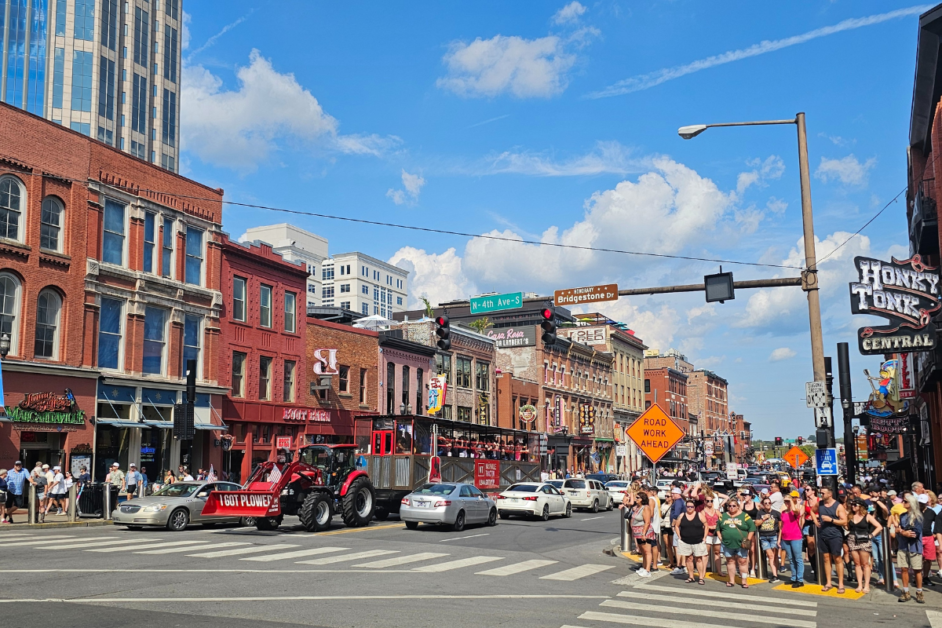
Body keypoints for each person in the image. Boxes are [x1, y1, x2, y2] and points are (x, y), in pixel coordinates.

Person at [890, 493, 926, 603]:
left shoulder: (918, 517)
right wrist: (902, 531)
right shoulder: (902, 516)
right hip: (903, 546)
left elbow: (914, 533)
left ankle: (919, 592)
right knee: (904, 569)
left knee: (917, 570)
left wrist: (901, 531)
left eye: (905, 502)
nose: (903, 503)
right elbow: (900, 530)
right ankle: (905, 592)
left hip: (915, 547)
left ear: (911, 504)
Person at [846, 497, 882, 594]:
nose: (853, 506)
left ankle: (866, 585)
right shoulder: (850, 516)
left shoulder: (867, 516)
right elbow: (847, 526)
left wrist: (871, 535)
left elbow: (879, 526)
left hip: (864, 539)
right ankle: (859, 585)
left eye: (855, 505)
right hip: (852, 539)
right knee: (857, 563)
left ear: (860, 506)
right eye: (852, 505)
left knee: (865, 564)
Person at [816, 486, 848, 594]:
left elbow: (844, 521)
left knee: (837, 558)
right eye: (820, 493)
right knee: (826, 558)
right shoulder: (820, 504)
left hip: (835, 535)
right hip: (822, 534)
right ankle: (828, 582)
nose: (821, 495)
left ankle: (840, 584)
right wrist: (816, 522)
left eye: (823, 493)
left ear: (830, 494)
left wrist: (831, 520)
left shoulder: (838, 506)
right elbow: (811, 510)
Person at [718, 498, 755, 588]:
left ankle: (744, 581)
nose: (731, 508)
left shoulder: (744, 515)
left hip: (741, 543)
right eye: (729, 506)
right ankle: (731, 581)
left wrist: (748, 540)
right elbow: (718, 528)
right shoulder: (723, 516)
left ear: (738, 507)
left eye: (734, 506)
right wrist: (720, 537)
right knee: (730, 561)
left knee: (742, 561)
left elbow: (752, 528)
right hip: (727, 543)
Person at [674, 498, 708, 585]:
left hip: (698, 541)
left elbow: (706, 525)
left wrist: (704, 537)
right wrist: (679, 536)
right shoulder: (682, 516)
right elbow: (676, 526)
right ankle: (691, 576)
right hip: (685, 541)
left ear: (694, 507)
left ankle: (701, 577)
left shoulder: (699, 515)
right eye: (688, 506)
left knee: (699, 559)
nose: (689, 508)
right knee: (688, 559)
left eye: (691, 507)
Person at [628, 492, 656, 578]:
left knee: (647, 551)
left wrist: (644, 533)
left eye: (638, 498)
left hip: (644, 532)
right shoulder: (637, 508)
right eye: (636, 497)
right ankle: (644, 567)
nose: (636, 499)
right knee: (643, 551)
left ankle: (647, 570)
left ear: (642, 499)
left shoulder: (646, 508)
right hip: (637, 532)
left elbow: (647, 522)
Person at [781, 490, 805, 588]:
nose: (787, 503)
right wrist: (780, 539)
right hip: (785, 537)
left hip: (795, 537)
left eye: (788, 501)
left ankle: (800, 579)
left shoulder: (796, 511)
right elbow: (781, 526)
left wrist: (791, 501)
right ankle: (793, 577)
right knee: (791, 559)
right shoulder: (783, 512)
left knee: (798, 558)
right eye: (785, 501)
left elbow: (796, 511)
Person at [756, 495, 782, 583]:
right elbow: (756, 524)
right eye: (765, 503)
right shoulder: (760, 513)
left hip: (773, 536)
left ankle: (776, 573)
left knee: (774, 556)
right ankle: (775, 575)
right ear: (763, 504)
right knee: (770, 556)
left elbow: (781, 526)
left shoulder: (776, 513)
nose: (767, 504)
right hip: (764, 536)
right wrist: (763, 519)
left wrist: (779, 538)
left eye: (769, 503)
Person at [917, 494, 937, 589]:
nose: (920, 504)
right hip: (917, 537)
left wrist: (936, 533)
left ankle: (925, 577)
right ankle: (918, 576)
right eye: (919, 503)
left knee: (928, 559)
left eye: (922, 503)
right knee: (918, 558)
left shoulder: (931, 512)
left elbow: (938, 523)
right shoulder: (915, 512)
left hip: (929, 536)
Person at [666, 488, 685, 575]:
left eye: (673, 494)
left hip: (678, 526)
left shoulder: (677, 502)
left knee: (677, 546)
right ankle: (682, 565)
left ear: (677, 494)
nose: (672, 495)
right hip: (681, 526)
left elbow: (676, 514)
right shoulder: (680, 501)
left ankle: (679, 566)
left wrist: (673, 525)